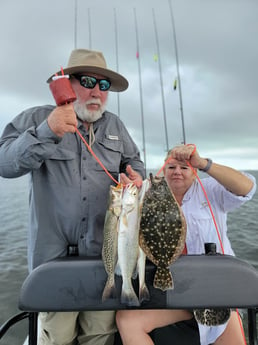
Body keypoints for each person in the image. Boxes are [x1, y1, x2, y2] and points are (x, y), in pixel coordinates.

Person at [0, 49, 145, 345]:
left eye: (104, 86)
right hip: (52, 261)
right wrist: (47, 131)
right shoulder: (37, 117)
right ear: (68, 83)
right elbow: (4, 162)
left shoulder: (116, 125)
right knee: (56, 337)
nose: (96, 91)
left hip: (103, 257)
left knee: (100, 333)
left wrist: (136, 176)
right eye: (88, 81)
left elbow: (135, 162)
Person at [116, 144, 256, 345]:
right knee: (126, 320)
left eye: (185, 167)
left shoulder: (211, 190)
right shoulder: (148, 190)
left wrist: (204, 163)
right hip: (172, 289)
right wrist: (131, 191)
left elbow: (248, 188)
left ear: (195, 171)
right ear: (163, 170)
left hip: (214, 289)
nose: (177, 172)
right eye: (171, 167)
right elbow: (125, 217)